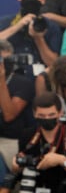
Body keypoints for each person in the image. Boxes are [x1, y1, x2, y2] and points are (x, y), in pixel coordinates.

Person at [0, 0, 62, 71]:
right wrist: (18, 25)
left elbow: (53, 63)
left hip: (39, 77)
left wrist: (38, 38)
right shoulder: (4, 22)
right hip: (10, 76)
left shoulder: (51, 27)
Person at [0, 40, 34, 171]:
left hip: (10, 141)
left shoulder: (22, 83)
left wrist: (1, 80)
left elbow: (9, 115)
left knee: (11, 184)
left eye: (5, 60)